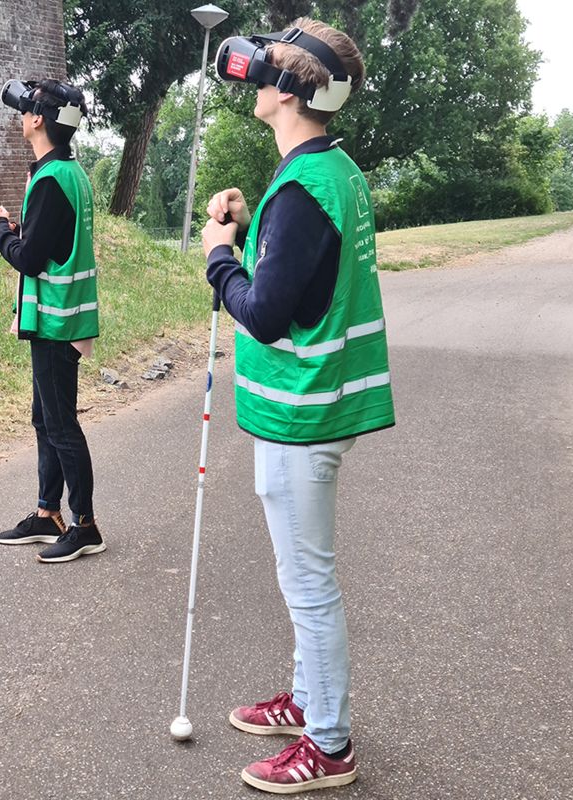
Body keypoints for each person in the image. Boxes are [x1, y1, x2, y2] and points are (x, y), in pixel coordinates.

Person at [199, 20, 395, 794]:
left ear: (290, 90)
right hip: (319, 406)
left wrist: (218, 258)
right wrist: (250, 232)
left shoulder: (303, 188)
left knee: (307, 583)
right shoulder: (331, 170)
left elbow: (268, 313)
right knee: (300, 574)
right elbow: (301, 278)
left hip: (301, 412)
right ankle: (308, 701)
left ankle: (329, 742)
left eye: (265, 68)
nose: (250, 76)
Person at [0, 79, 106, 564]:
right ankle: (47, 512)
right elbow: (45, 243)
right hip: (61, 317)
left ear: (37, 120)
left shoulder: (51, 180)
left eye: (26, 110)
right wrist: (15, 227)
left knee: (60, 423)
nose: (22, 116)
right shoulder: (67, 173)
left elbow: (31, 260)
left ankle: (85, 524)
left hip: (55, 323)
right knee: (45, 418)